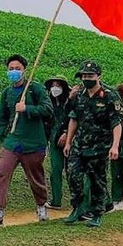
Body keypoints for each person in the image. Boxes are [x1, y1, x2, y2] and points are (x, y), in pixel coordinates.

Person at [0, 55, 52, 227]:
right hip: (13, 142)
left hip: (33, 142)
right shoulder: (7, 93)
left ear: (24, 70)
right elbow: (1, 119)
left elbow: (47, 109)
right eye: (11, 68)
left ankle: (41, 204)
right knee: (2, 173)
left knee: (36, 177)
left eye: (17, 68)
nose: (14, 71)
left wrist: (27, 108)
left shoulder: (35, 89)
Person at [63, 61, 122, 228]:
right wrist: (68, 141)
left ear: (98, 76)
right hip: (79, 145)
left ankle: (97, 213)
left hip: (100, 147)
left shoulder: (109, 95)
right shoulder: (79, 94)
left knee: (97, 181)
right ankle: (77, 207)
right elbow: (74, 118)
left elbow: (116, 123)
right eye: (83, 76)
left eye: (90, 76)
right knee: (73, 175)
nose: (86, 79)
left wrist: (115, 145)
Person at [44, 77, 71, 208]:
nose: (55, 88)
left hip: (70, 140)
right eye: (53, 85)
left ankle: (79, 201)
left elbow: (75, 119)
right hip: (54, 141)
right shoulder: (49, 102)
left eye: (58, 85)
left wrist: (67, 133)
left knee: (72, 171)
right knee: (55, 170)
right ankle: (56, 200)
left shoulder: (70, 101)